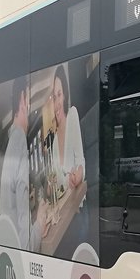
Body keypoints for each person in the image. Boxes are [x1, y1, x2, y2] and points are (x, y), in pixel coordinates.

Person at [0, 78, 45, 251]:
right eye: (29, 100)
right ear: (22, 99)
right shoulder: (18, 139)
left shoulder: (10, 140)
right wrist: (40, 222)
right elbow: (26, 247)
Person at [50, 64, 85, 195]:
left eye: (59, 95)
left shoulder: (72, 115)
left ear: (64, 95)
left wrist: (78, 175)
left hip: (78, 202)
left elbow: (80, 160)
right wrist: (52, 185)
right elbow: (58, 183)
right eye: (54, 97)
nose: (57, 102)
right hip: (65, 208)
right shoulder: (53, 144)